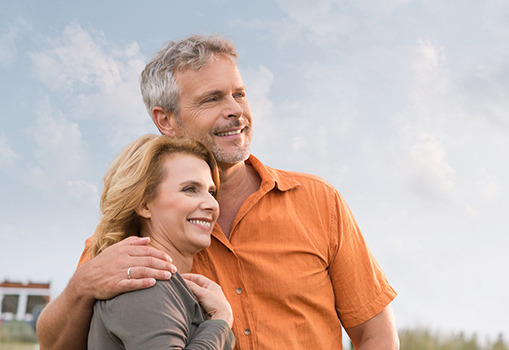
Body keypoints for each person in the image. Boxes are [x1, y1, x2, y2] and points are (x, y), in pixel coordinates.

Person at [37, 34, 399, 350]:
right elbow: (55, 345)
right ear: (166, 120)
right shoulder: (128, 234)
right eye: (212, 99)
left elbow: (376, 335)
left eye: (239, 94)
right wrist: (81, 286)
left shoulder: (320, 201)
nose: (236, 111)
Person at [87, 134, 235, 349]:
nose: (212, 204)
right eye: (190, 189)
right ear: (144, 204)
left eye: (211, 192)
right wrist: (220, 322)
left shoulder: (166, 284)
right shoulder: (145, 282)